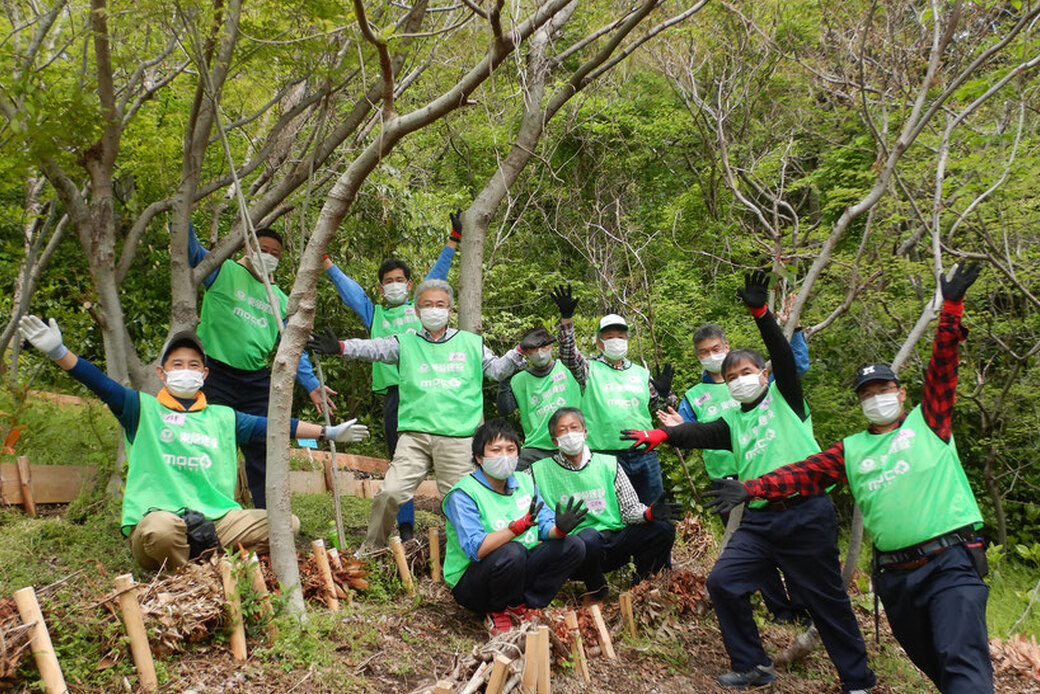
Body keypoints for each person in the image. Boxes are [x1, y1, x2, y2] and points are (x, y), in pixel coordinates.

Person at [706, 263, 989, 694]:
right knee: (938, 665)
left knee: (960, 662)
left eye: (884, 391)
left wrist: (950, 311)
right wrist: (751, 488)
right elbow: (801, 473)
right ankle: (765, 668)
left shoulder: (928, 424)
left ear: (901, 393)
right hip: (895, 576)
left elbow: (943, 369)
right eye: (867, 394)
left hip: (949, 562)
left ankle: (857, 680)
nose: (877, 399)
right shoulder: (851, 450)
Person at [622, 271, 875, 694]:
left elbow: (782, 353)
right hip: (758, 519)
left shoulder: (785, 398)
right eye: (732, 374)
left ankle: (857, 680)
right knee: (723, 583)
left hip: (805, 513)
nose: (739, 378)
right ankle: (752, 665)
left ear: (762, 374)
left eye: (746, 371)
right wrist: (661, 435)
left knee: (826, 600)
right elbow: (699, 432)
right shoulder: (734, 420)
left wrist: (761, 313)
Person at [18, 316, 368, 571]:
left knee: (285, 524)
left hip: (218, 522)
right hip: (160, 521)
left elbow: (276, 426)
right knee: (161, 531)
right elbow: (101, 384)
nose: (185, 370)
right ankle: (195, 575)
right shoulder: (141, 409)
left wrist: (328, 433)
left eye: (193, 365)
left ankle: (209, 558)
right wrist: (60, 352)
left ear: (204, 374)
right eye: (177, 364)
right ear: (162, 373)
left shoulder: (224, 418)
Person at [308, 279, 527, 550]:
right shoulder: (405, 342)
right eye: (427, 305)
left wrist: (519, 351)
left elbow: (497, 370)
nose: (434, 310)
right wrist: (340, 347)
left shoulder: (471, 343)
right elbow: (373, 348)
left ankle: (469, 553)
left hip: (459, 438)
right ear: (417, 310)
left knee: (461, 502)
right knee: (389, 493)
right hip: (415, 436)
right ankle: (372, 549)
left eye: (440, 304)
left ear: (450, 310)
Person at [322, 213, 461, 540]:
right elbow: (350, 291)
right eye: (389, 281)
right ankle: (407, 528)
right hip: (396, 397)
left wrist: (453, 241)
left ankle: (459, 525)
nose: (394, 284)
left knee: (449, 458)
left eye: (400, 279)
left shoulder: (421, 309)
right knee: (400, 462)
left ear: (410, 285)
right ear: (381, 287)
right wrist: (324, 260)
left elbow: (437, 277)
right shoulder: (375, 314)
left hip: (432, 391)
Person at [662, 321, 811, 624]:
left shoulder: (763, 383)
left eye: (715, 349)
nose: (710, 356)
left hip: (767, 474)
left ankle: (805, 607)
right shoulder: (695, 395)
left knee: (792, 549)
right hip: (725, 481)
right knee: (752, 546)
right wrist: (675, 423)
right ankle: (779, 610)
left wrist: (795, 332)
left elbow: (794, 367)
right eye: (704, 352)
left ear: (726, 346)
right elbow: (687, 432)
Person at [189, 224, 337, 509]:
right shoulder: (223, 271)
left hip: (255, 381)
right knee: (213, 443)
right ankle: (208, 513)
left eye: (275, 253)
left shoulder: (279, 298)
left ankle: (267, 517)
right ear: (249, 248)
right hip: (215, 374)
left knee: (264, 446)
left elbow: (292, 346)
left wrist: (312, 385)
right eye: (263, 249)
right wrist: (181, 216)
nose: (268, 256)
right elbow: (192, 251)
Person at [442, 420, 587, 634]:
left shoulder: (524, 482)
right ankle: (496, 610)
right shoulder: (463, 494)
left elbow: (543, 523)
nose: (504, 456)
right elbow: (476, 549)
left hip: (516, 569)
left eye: (511, 450)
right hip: (474, 581)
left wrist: (559, 530)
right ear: (479, 457)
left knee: (573, 545)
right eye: (496, 450)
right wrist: (515, 529)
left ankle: (523, 605)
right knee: (513, 551)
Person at [527, 407, 677, 601]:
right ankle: (596, 591)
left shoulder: (609, 464)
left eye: (574, 428)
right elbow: (520, 502)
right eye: (562, 430)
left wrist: (649, 513)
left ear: (585, 432)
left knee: (663, 529)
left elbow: (629, 509)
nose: (570, 434)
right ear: (555, 441)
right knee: (588, 538)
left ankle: (641, 588)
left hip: (614, 539)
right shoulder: (536, 472)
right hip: (576, 550)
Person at [551, 285, 674, 504]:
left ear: (627, 340)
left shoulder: (641, 373)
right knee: (614, 512)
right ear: (599, 342)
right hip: (606, 456)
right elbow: (568, 354)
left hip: (644, 453)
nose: (616, 340)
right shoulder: (588, 369)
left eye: (620, 336)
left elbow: (661, 410)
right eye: (609, 336)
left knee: (653, 510)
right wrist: (566, 318)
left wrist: (664, 394)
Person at [496, 326, 582, 470]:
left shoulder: (569, 368)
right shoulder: (519, 380)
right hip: (536, 447)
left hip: (572, 440)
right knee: (508, 472)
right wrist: (505, 378)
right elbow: (505, 410)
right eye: (533, 348)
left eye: (543, 346)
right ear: (526, 352)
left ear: (551, 346)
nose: (539, 352)